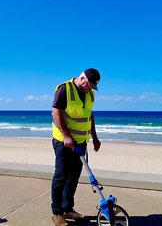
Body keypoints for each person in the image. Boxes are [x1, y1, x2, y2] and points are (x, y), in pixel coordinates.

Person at [51, 68, 102, 226]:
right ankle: (57, 213)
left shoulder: (89, 95)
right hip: (63, 142)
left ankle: (68, 209)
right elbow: (55, 112)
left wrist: (95, 137)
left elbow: (89, 116)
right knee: (61, 176)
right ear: (83, 79)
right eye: (90, 86)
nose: (90, 89)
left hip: (80, 142)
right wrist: (66, 136)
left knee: (73, 176)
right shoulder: (64, 89)